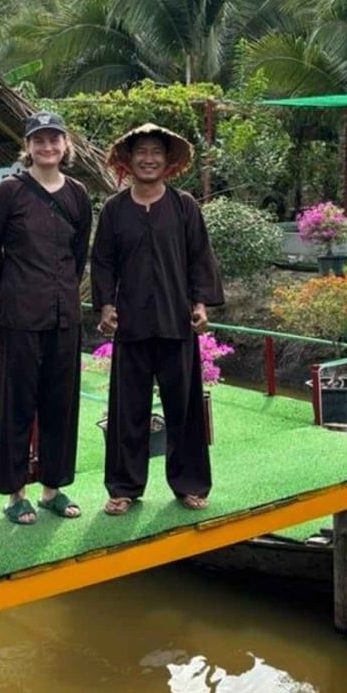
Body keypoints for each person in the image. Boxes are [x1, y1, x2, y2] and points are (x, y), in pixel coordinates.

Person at [90, 123, 223, 516]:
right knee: (126, 410)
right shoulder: (115, 210)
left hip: (176, 323)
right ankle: (123, 488)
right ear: (129, 161)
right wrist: (106, 306)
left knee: (184, 408)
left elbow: (199, 257)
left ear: (167, 161)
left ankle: (190, 484)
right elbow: (103, 262)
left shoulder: (184, 206)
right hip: (131, 325)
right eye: (141, 152)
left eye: (156, 152)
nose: (148, 159)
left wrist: (200, 304)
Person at [0, 110, 93, 525]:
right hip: (19, 314)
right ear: (27, 146)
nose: (47, 147)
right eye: (39, 140)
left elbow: (78, 254)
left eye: (54, 139)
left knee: (60, 404)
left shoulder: (77, 194)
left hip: (64, 314)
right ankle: (15, 493)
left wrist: (61, 291)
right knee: (17, 403)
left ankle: (53, 488)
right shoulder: (9, 192)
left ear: (65, 145)